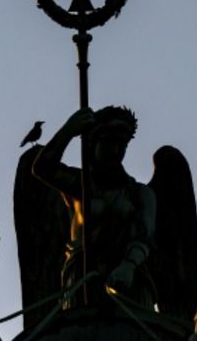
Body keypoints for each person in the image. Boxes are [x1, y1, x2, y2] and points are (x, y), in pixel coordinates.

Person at [32, 105, 157, 310]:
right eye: (109, 142)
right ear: (93, 143)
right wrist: (68, 130)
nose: (116, 151)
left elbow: (144, 237)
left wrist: (129, 265)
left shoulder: (141, 194)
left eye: (122, 144)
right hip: (82, 285)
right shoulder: (78, 185)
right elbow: (43, 168)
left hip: (127, 286)